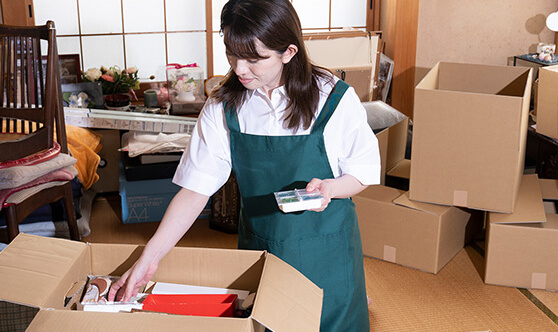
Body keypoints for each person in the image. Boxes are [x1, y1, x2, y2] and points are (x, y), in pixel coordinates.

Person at [109, 0, 380, 330]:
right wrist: (148, 260)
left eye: (255, 58)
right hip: (261, 245)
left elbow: (362, 172)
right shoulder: (224, 105)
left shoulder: (333, 98)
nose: (239, 69)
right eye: (232, 54)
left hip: (326, 251)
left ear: (289, 52)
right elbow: (195, 191)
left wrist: (330, 188)